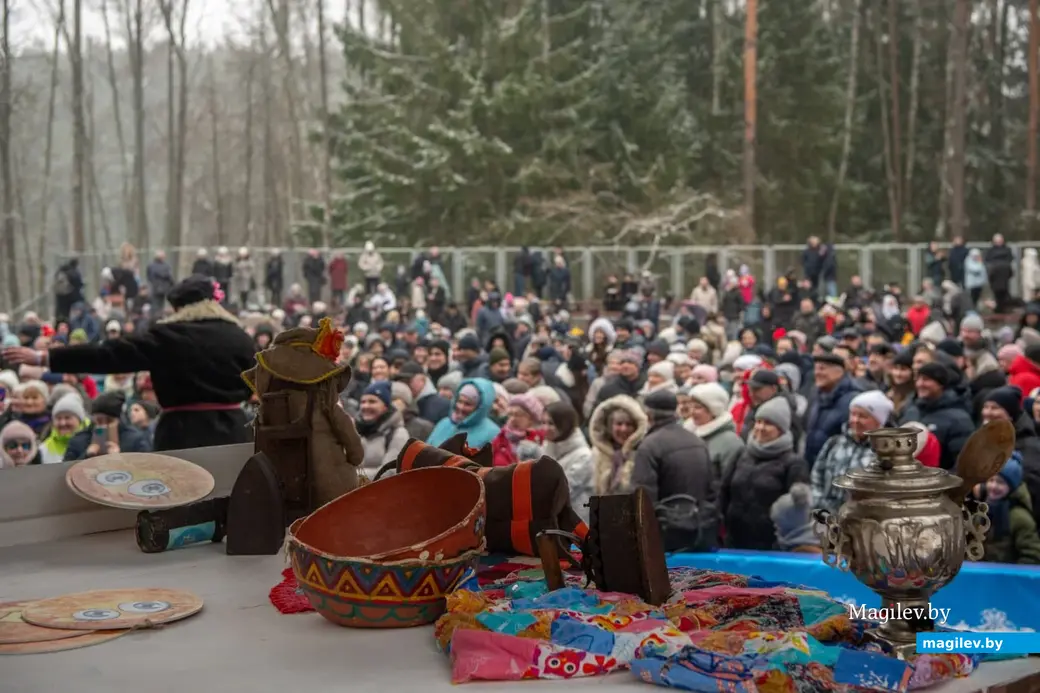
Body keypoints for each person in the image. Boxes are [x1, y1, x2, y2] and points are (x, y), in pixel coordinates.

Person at [4, 276, 256, 451]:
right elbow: (254, 383)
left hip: (182, 434)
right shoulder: (241, 337)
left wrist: (45, 357)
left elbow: (108, 355)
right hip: (234, 430)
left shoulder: (167, 336)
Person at [632, 390, 717, 552]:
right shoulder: (697, 441)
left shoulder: (649, 447)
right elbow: (711, 492)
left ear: (648, 415)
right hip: (698, 534)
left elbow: (643, 500)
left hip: (666, 540)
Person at [720, 398, 809, 550]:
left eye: (768, 423)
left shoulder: (793, 463)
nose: (760, 427)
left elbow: (796, 510)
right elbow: (724, 491)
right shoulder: (741, 454)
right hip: (735, 540)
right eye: (758, 421)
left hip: (771, 545)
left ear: (781, 429)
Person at [64, 391, 151, 461]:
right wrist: (86, 456)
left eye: (109, 421)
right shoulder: (78, 440)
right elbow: (64, 472)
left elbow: (146, 471)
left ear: (118, 419)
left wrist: (120, 459)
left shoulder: (135, 439)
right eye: (99, 421)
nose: (103, 425)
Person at [543, 401, 593, 522]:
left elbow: (565, 491)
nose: (545, 428)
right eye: (543, 422)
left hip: (576, 523)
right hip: (552, 520)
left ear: (564, 425)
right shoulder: (546, 447)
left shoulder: (584, 456)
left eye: (551, 423)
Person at [588, 395, 647, 495]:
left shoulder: (643, 452)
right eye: (619, 424)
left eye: (628, 424)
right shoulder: (598, 453)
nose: (623, 429)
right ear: (610, 426)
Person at [426, 377, 500, 449]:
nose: (461, 407)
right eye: (459, 401)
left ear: (480, 407)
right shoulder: (444, 423)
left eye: (468, 404)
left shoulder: (492, 434)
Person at [356, 381, 409, 479]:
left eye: (372, 401)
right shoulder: (356, 431)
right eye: (363, 402)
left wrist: (350, 478)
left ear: (385, 407)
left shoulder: (398, 434)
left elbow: (389, 473)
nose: (366, 406)